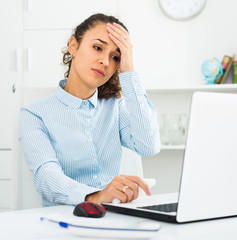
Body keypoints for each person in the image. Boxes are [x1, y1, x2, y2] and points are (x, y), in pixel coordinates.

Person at [19, 13, 160, 207]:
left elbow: (148, 146)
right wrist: (95, 196)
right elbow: (46, 176)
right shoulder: (34, 114)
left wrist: (129, 71)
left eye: (115, 57)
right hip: (63, 220)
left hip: (113, 215)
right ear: (73, 46)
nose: (105, 62)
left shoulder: (115, 107)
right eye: (97, 48)